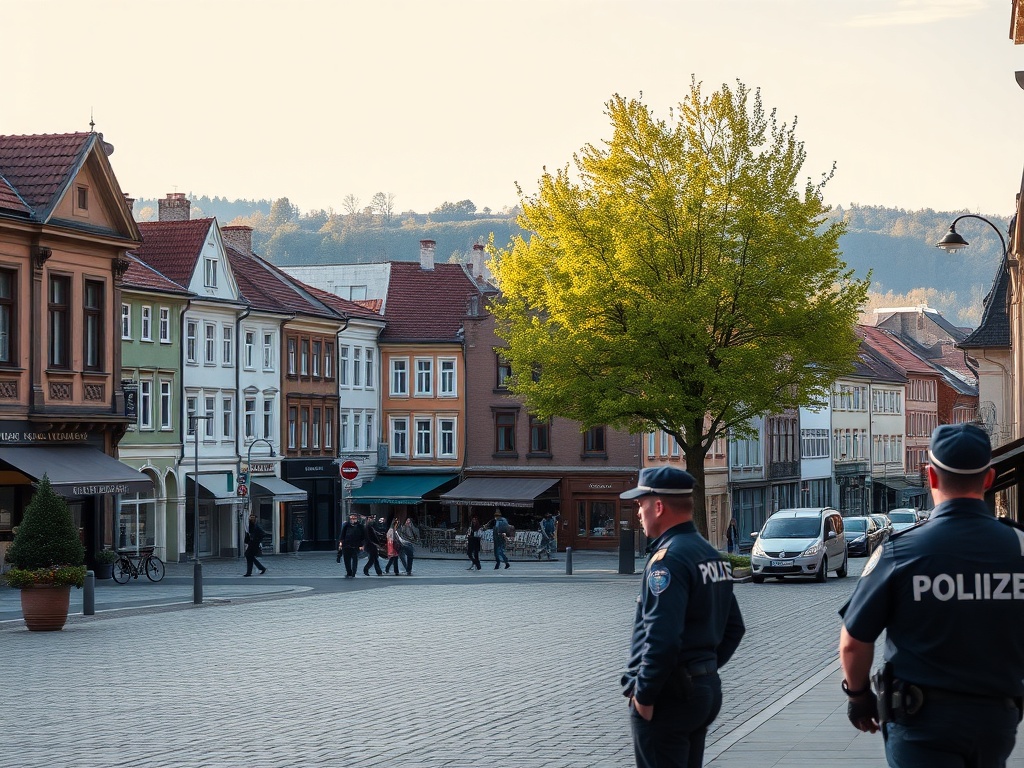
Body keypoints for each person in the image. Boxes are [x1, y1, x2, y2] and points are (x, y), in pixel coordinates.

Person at [838, 423, 1024, 767]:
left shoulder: (900, 551)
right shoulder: (1019, 546)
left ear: (931, 477)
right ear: (989, 479)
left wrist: (859, 696)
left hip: (921, 722)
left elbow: (853, 641)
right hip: (995, 719)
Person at [620, 466, 745, 768]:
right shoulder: (710, 554)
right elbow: (734, 628)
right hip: (702, 690)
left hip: (669, 696)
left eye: (641, 504)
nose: (638, 513)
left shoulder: (669, 559)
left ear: (658, 506)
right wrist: (702, 668)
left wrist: (645, 696)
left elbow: (662, 638)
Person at [338, 512, 364, 578]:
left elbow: (363, 536)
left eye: (354, 518)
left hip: (355, 545)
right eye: (351, 518)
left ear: (357, 519)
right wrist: (341, 543)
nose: (352, 519)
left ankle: (353, 572)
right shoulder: (346, 525)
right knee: (346, 560)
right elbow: (342, 534)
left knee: (355, 559)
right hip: (346, 545)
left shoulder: (360, 526)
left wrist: (362, 545)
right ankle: (349, 572)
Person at [242, 513, 267, 577]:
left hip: (254, 544)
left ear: (255, 519)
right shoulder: (250, 525)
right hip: (251, 543)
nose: (252, 518)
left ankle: (250, 572)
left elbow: (263, 534)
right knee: (250, 556)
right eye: (251, 517)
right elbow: (248, 532)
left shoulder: (256, 526)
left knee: (248, 556)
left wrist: (257, 540)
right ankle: (261, 568)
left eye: (253, 517)